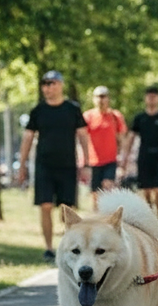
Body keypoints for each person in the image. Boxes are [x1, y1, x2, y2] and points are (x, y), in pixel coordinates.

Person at [16, 70, 90, 262]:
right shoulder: (38, 111)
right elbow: (27, 139)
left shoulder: (72, 109)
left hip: (67, 166)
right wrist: (22, 165)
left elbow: (83, 136)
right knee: (45, 206)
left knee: (67, 210)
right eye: (44, 84)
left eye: (51, 83)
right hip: (44, 166)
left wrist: (86, 163)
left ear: (61, 85)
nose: (47, 87)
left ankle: (68, 247)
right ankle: (49, 248)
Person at [122, 85, 158, 220]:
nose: (152, 99)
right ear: (145, 99)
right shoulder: (140, 118)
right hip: (144, 156)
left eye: (154, 96)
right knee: (146, 190)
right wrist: (125, 156)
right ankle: (149, 216)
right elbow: (131, 137)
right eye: (149, 96)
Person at [83, 85, 127, 208]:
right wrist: (84, 159)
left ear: (108, 98)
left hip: (110, 160)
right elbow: (83, 138)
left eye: (103, 96)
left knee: (107, 186)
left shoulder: (115, 116)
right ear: (93, 99)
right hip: (93, 161)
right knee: (95, 193)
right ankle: (97, 217)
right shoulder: (88, 116)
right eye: (97, 97)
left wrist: (122, 158)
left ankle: (108, 214)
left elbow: (121, 138)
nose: (100, 100)